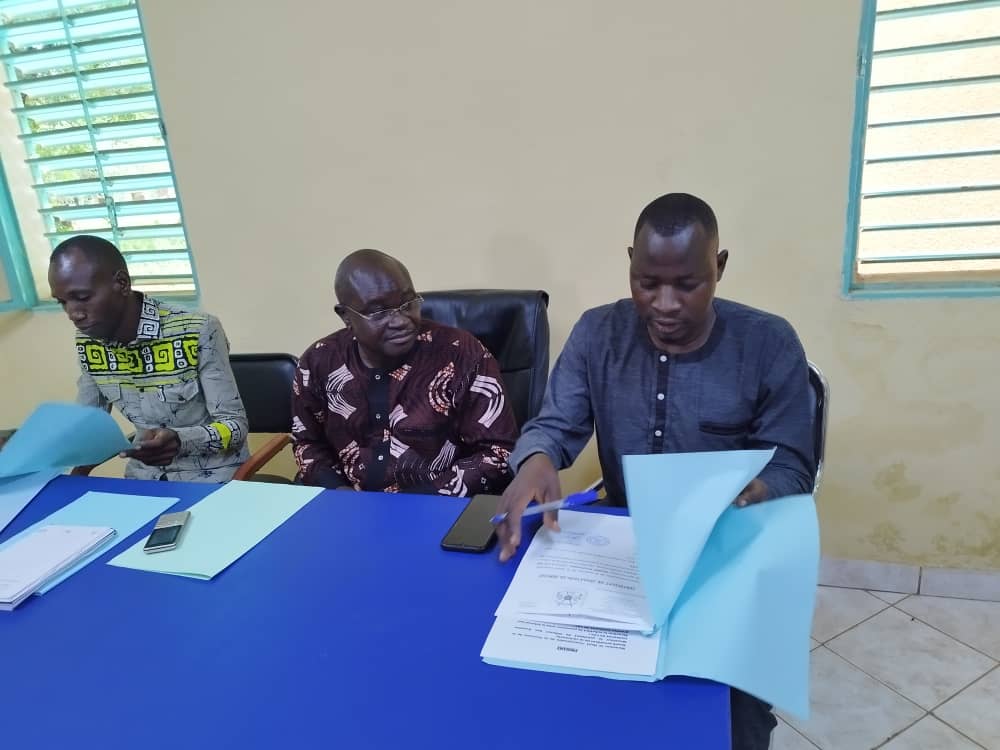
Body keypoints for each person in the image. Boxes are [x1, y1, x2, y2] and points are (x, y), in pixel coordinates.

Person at [494, 192, 815, 750]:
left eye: (687, 285)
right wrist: (536, 460)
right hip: (626, 543)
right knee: (565, 694)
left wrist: (748, 491)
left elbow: (792, 463)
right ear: (630, 263)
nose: (664, 304)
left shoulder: (768, 342)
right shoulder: (597, 332)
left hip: (724, 546)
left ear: (719, 267)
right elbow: (554, 424)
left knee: (726, 720)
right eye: (646, 283)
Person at [291, 249, 518, 495]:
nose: (401, 321)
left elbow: (499, 452)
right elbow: (307, 443)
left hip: (441, 503)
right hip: (348, 504)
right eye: (379, 311)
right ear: (345, 315)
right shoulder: (319, 361)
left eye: (408, 303)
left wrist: (424, 500)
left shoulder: (461, 354)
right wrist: (339, 493)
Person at [48, 235, 249, 482]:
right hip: (144, 478)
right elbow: (87, 427)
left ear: (121, 283)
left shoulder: (197, 329)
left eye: (82, 297)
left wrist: (181, 440)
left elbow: (235, 426)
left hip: (212, 477)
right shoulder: (89, 340)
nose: (73, 314)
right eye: (62, 302)